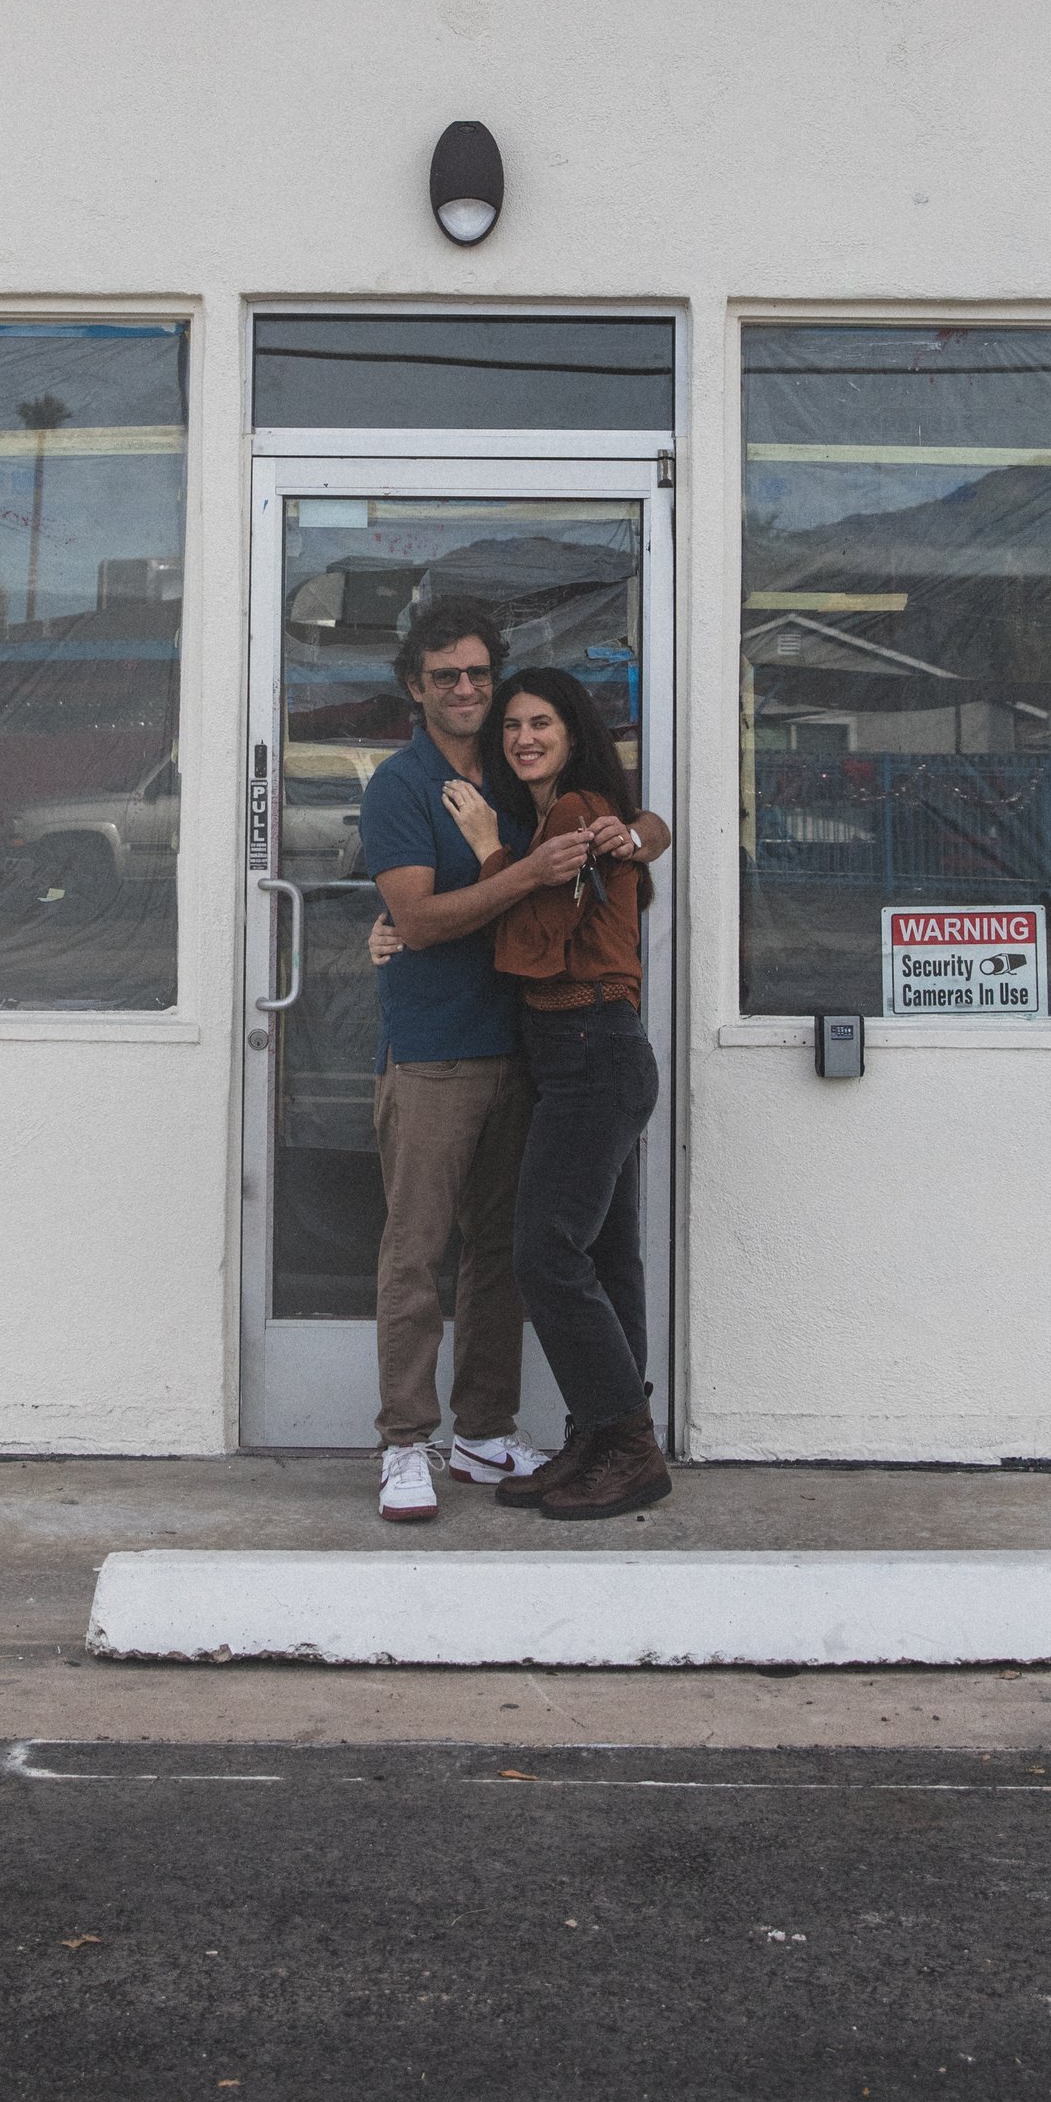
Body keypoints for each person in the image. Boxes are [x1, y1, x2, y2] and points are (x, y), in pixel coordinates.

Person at [354, 603, 605, 1524]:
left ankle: (482, 1430)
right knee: (415, 1254)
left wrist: (637, 837)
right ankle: (403, 1444)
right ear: (415, 686)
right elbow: (416, 920)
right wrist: (521, 877)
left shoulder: (519, 768)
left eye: (477, 673)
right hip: (432, 1055)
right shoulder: (400, 786)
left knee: (500, 1256)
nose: (464, 688)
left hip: (527, 1047)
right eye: (444, 675)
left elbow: (624, 817)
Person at [442, 665, 673, 1521]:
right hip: (581, 1052)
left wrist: (492, 860)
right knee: (606, 1260)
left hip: (590, 1049)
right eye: (511, 727)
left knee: (546, 1254)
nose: (523, 738)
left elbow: (534, 946)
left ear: (574, 734)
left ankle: (628, 1445)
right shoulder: (566, 819)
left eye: (541, 723)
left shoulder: (573, 816)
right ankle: (598, 1436)